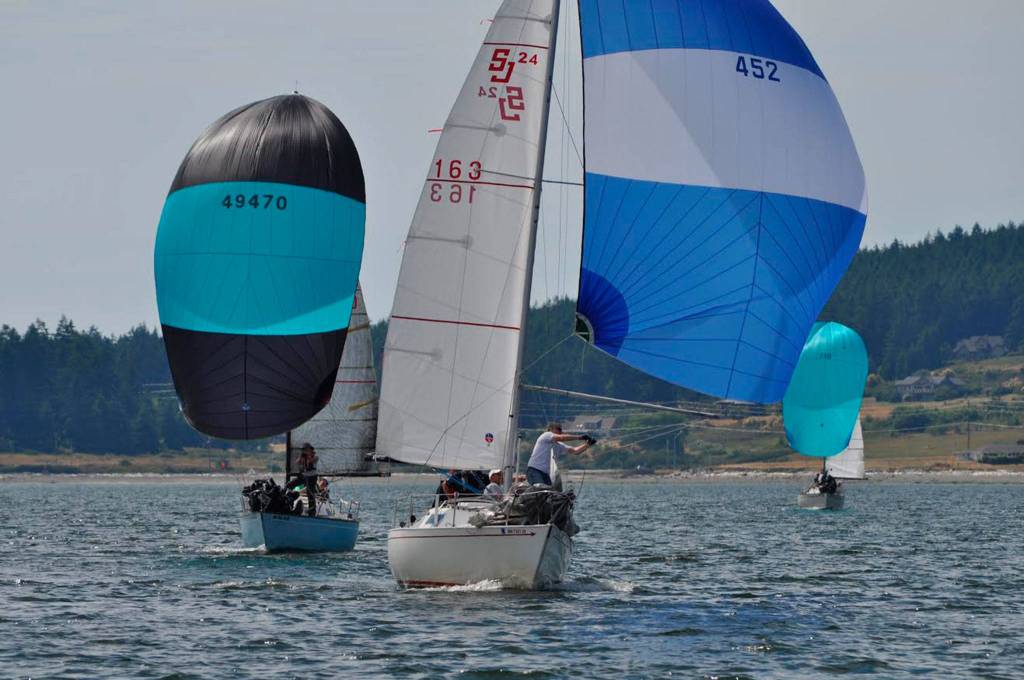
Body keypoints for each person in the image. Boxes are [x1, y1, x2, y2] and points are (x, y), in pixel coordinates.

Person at [526, 422, 593, 486]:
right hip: (534, 470)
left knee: (550, 492)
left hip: (545, 474)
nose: (561, 432)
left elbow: (575, 451)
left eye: (561, 430)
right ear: (551, 429)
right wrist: (580, 437)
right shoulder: (546, 435)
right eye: (559, 429)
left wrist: (588, 444)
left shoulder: (559, 445)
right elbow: (561, 438)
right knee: (540, 488)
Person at [287, 442, 319, 516]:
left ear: (311, 450)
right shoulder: (302, 457)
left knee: (310, 492)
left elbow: (311, 461)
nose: (305, 451)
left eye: (306, 449)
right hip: (303, 476)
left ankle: (312, 511)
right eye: (304, 449)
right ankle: (289, 502)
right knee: (289, 485)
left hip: (312, 477)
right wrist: (302, 456)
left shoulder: (315, 457)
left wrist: (308, 455)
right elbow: (297, 463)